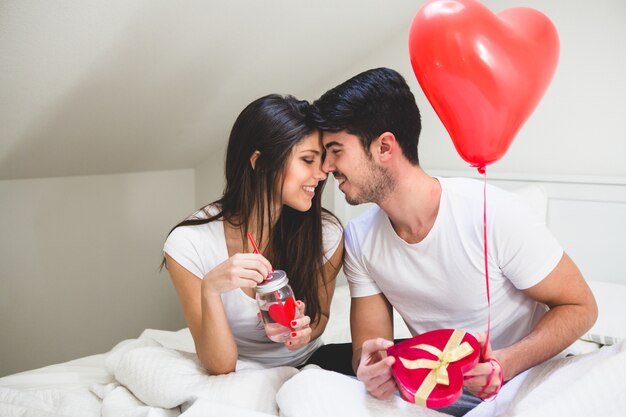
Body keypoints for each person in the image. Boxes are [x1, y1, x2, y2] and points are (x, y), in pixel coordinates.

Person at [310, 67, 597, 416]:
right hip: (435, 385)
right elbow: (370, 347)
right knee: (313, 376)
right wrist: (370, 368)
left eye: (335, 150)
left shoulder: (493, 213)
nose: (325, 167)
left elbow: (582, 308)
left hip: (523, 374)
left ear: (384, 146)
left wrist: (505, 362)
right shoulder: (359, 238)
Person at [162, 94, 343, 375]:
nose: (322, 173)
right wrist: (210, 289)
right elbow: (220, 366)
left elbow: (322, 317)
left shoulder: (327, 234)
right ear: (260, 162)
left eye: (322, 161)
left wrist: (305, 331)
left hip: (308, 366)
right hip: (238, 372)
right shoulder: (188, 245)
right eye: (308, 160)